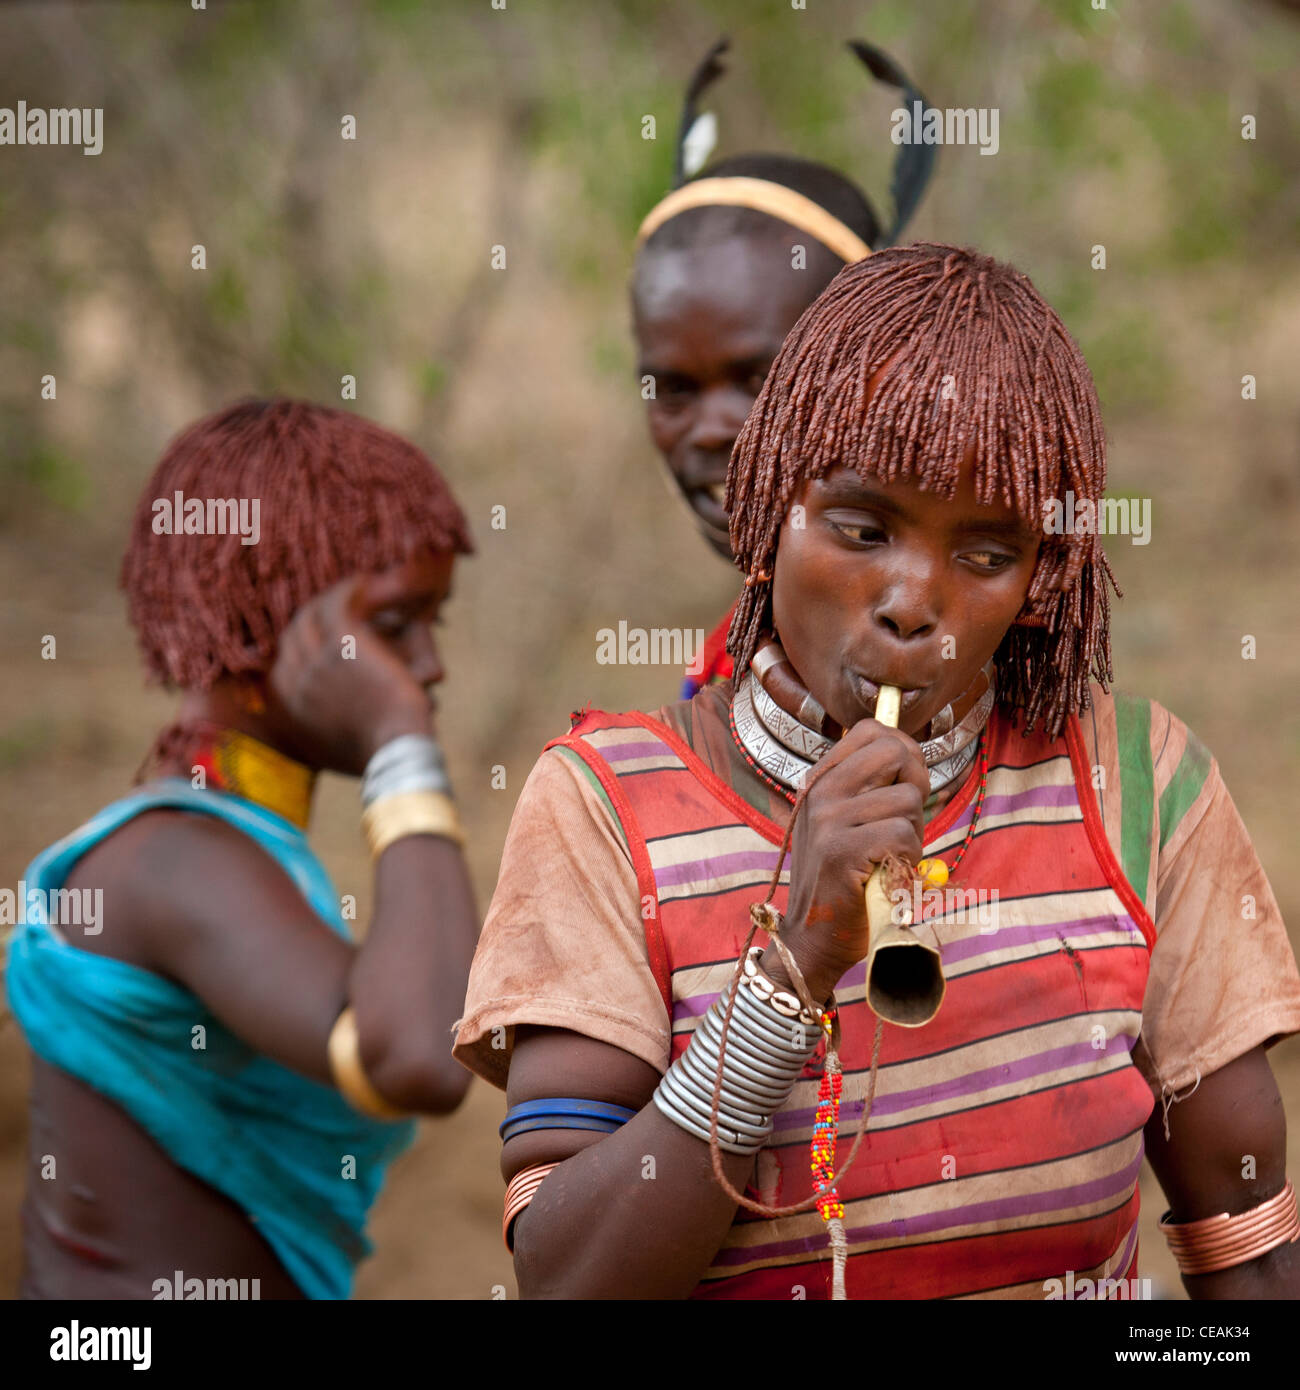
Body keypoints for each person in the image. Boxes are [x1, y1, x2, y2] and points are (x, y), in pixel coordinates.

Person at [455, 244, 1300, 1299]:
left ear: (1042, 581)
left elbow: (1250, 1260)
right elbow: (567, 1278)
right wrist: (793, 964)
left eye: (984, 553)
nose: (912, 600)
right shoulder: (604, 805)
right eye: (861, 528)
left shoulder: (1140, 784)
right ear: (767, 508)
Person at [6, 399, 480, 1299]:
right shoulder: (175, 860)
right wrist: (399, 743)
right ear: (273, 630)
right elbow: (418, 1052)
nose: (428, 666)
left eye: (434, 623)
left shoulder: (215, 846)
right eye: (391, 627)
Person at [631, 36, 935, 697]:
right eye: (675, 390)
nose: (714, 430)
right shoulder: (726, 669)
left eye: (760, 380)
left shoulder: (952, 655)